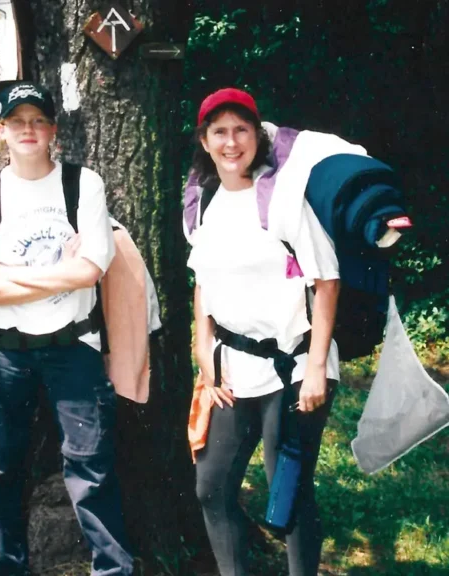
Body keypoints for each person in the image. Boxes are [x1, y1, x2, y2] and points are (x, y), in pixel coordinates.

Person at [0, 82, 134, 576]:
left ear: (53, 129)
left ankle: (114, 570)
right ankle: (7, 568)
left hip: (72, 346)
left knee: (91, 465)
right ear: (2, 130)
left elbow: (88, 271)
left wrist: (5, 274)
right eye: (17, 121)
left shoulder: (83, 184)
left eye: (38, 121)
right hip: (5, 353)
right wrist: (44, 275)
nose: (27, 130)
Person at [186, 88, 340, 576]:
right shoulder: (203, 201)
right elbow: (203, 281)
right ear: (205, 141)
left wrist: (316, 368)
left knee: (287, 491)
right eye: (220, 132)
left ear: (258, 136)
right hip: (233, 369)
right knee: (211, 487)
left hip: (293, 365)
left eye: (241, 130)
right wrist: (202, 351)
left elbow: (326, 279)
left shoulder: (283, 198)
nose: (231, 142)